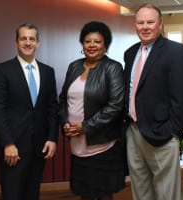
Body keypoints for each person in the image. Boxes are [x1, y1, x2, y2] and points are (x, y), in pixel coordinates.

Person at [123, 3, 183, 200]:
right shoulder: (130, 53)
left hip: (162, 133)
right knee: (140, 190)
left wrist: (172, 131)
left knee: (166, 194)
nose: (145, 26)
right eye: (140, 22)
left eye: (150, 22)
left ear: (160, 24)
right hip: (134, 131)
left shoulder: (176, 51)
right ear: (135, 25)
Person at [0, 23, 59, 200]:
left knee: (32, 193)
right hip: (13, 148)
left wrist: (52, 138)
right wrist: (7, 143)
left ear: (38, 43)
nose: (28, 43)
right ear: (16, 42)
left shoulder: (47, 72)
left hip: (39, 146)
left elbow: (52, 107)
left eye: (32, 39)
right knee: (12, 194)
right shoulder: (2, 70)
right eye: (23, 38)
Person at [59, 21, 126, 200]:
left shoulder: (113, 68)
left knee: (103, 194)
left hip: (102, 146)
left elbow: (116, 105)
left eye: (97, 41)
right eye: (87, 41)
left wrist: (85, 126)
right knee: (84, 194)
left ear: (105, 45)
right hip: (77, 145)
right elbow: (63, 99)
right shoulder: (74, 66)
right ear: (82, 44)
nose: (92, 45)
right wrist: (65, 122)